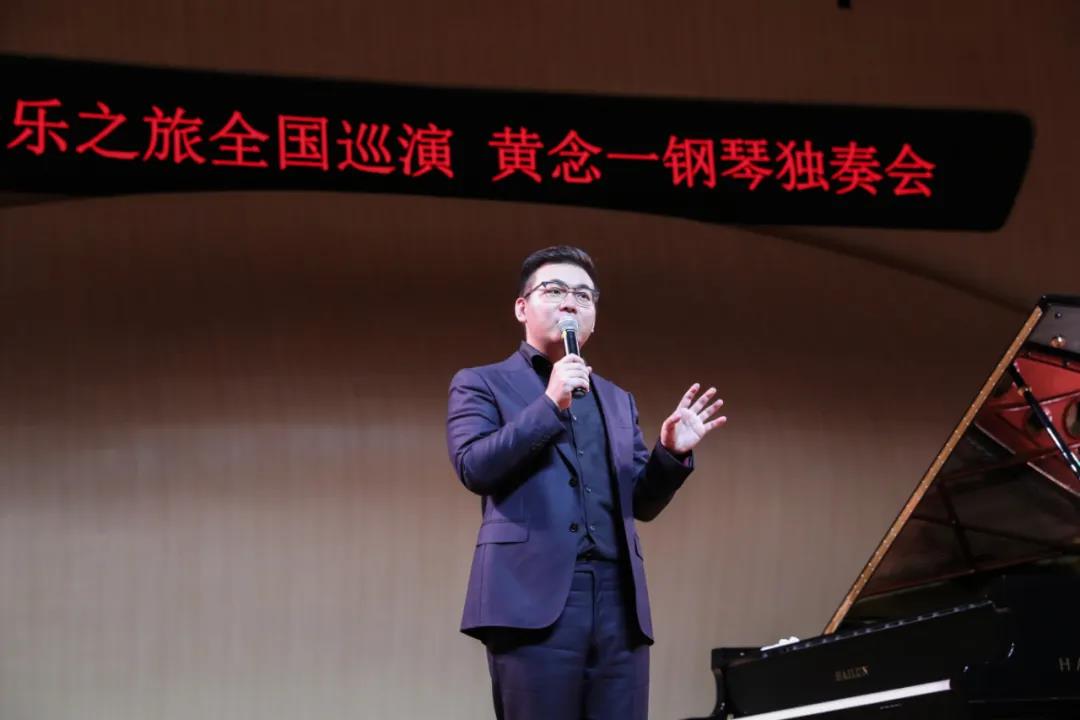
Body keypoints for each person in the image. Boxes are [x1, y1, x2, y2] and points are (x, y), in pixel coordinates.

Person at [446, 245, 726, 720]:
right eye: (555, 291)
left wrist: (670, 454)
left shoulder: (616, 399)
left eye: (583, 295)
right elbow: (475, 466)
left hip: (619, 603)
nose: (570, 303)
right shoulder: (481, 383)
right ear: (522, 307)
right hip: (531, 601)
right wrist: (549, 404)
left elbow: (641, 503)